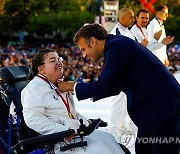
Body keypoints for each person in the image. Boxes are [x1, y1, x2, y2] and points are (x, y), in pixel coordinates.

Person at [58, 23, 180, 154]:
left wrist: (71, 86)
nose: (84, 55)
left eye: (83, 49)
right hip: (152, 112)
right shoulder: (116, 45)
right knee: (143, 150)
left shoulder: (116, 47)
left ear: (93, 41)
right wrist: (76, 89)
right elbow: (114, 87)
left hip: (163, 110)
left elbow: (102, 86)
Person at [21, 49, 125, 154]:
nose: (59, 62)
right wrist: (64, 131)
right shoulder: (34, 89)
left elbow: (71, 114)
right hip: (58, 142)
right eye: (53, 60)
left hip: (74, 133)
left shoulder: (58, 85)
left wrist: (86, 122)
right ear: (41, 69)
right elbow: (33, 119)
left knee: (108, 138)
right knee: (99, 147)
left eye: (59, 59)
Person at [110, 8, 137, 139]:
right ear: (122, 18)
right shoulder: (116, 32)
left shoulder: (129, 32)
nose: (133, 20)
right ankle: (115, 128)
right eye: (130, 17)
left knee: (127, 100)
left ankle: (122, 124)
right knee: (119, 101)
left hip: (130, 72)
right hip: (121, 73)